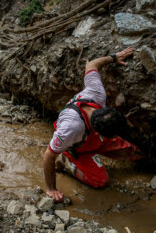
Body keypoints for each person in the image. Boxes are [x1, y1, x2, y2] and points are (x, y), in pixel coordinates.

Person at [43, 47, 145, 202]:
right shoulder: (70, 128)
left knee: (137, 153)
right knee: (100, 181)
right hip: (77, 146)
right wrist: (51, 189)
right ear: (98, 132)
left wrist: (113, 57)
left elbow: (91, 65)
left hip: (94, 137)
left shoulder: (96, 94)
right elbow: (48, 156)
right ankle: (66, 161)